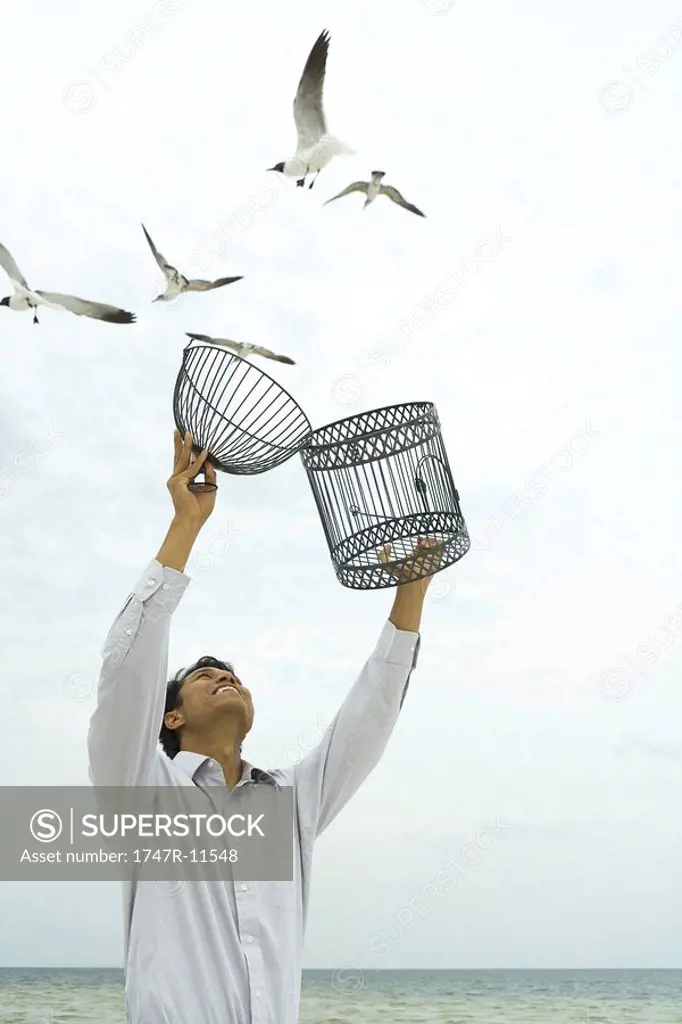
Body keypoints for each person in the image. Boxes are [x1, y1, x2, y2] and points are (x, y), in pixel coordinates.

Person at [88, 429, 441, 1024]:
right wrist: (187, 526)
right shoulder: (139, 788)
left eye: (233, 673)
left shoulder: (290, 801)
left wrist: (412, 591)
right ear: (170, 716)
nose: (226, 675)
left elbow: (368, 719)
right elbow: (126, 671)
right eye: (206, 674)